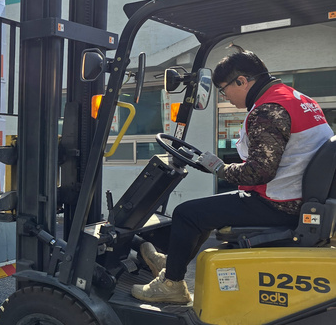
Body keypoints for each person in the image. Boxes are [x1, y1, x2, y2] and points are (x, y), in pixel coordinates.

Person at [131, 50, 333, 304]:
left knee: (186, 214)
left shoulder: (268, 111)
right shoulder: (299, 99)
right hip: (298, 198)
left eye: (223, 89)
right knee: (204, 213)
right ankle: (173, 264)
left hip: (280, 204)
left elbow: (259, 171)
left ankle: (171, 285)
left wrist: (220, 169)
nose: (224, 96)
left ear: (241, 81)